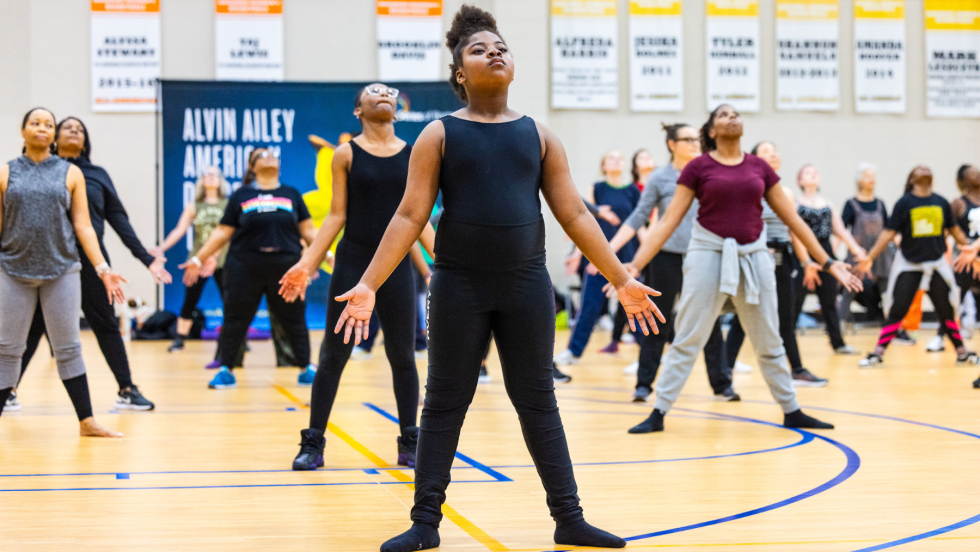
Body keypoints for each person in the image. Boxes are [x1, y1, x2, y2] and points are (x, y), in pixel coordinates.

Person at [331, 7, 664, 550]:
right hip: (459, 284)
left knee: (537, 400)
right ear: (459, 72)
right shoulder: (439, 134)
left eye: (501, 47)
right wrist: (368, 284)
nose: (494, 52)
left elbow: (576, 215)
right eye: (479, 49)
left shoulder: (539, 135)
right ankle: (425, 523)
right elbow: (410, 216)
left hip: (526, 284)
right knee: (444, 402)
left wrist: (622, 278)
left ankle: (569, 518)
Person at [624, 104, 860, 434]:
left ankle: (791, 410)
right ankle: (659, 411)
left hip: (754, 257)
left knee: (769, 339)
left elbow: (793, 220)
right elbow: (667, 221)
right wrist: (633, 266)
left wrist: (829, 261)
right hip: (707, 255)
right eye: (723, 115)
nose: (732, 117)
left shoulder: (759, 168)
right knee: (688, 337)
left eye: (735, 114)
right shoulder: (698, 167)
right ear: (711, 131)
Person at [278, 83, 436, 471]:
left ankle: (410, 441)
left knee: (402, 356)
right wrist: (308, 262)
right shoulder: (345, 154)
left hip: (395, 267)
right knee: (333, 356)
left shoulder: (415, 154)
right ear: (358, 110)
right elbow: (336, 216)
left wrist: (442, 264)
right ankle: (313, 442)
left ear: (396, 108)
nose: (383, 94)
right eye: (373, 91)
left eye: (388, 92)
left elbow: (418, 219)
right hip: (352, 265)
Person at [9, 117, 168, 413]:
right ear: (54, 136)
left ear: (86, 141)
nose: (73, 130)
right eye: (67, 126)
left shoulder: (96, 175)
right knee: (32, 328)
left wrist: (146, 260)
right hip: (48, 260)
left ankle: (127, 389)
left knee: (106, 323)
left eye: (80, 129)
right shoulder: (44, 170)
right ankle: (9, 390)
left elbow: (119, 220)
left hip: (91, 261)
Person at [0, 108, 125, 436]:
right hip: (13, 271)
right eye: (35, 123)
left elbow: (83, 225)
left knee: (69, 347)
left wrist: (102, 268)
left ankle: (87, 421)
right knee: (8, 348)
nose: (42, 128)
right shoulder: (5, 172)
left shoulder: (70, 174)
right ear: (23, 130)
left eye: (48, 125)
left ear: (53, 136)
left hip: (62, 272)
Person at [605, 123, 736, 402]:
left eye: (695, 139)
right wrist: (606, 253)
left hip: (704, 256)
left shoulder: (708, 172)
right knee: (658, 320)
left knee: (709, 319)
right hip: (666, 258)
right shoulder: (660, 178)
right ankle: (643, 385)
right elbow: (638, 217)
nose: (693, 143)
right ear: (671, 144)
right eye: (687, 139)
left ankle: (722, 384)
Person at [181, 148, 319, 389]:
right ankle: (226, 370)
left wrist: (321, 257)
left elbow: (308, 231)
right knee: (235, 319)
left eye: (273, 154)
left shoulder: (291, 194)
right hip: (244, 267)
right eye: (261, 156)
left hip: (285, 267)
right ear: (251, 167)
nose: (269, 156)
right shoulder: (241, 195)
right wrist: (198, 259)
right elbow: (223, 232)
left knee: (294, 318)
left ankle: (306, 368)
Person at [724, 142, 830, 386]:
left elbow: (794, 229)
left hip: (783, 261)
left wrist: (806, 262)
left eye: (775, 151)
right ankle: (725, 371)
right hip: (755, 258)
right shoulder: (746, 188)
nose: (773, 155)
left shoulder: (787, 192)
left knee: (786, 317)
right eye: (766, 151)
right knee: (743, 317)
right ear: (752, 158)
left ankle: (797, 369)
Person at [857, 165, 980, 369]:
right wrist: (870, 257)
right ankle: (878, 353)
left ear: (933, 180)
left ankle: (962, 352)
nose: (924, 169)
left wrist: (972, 253)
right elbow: (888, 233)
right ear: (912, 179)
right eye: (918, 169)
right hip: (910, 265)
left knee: (946, 311)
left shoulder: (940, 202)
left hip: (937, 265)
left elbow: (956, 232)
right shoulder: (904, 203)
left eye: (927, 168)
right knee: (898, 309)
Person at [555, 150, 641, 365]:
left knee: (637, 306)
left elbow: (639, 225)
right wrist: (577, 254)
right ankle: (573, 352)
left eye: (620, 157)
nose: (617, 160)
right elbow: (585, 224)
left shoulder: (632, 191)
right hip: (598, 259)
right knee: (590, 306)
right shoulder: (597, 189)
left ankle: (648, 354)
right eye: (611, 158)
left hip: (627, 258)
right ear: (604, 166)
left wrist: (642, 259)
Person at [153, 166, 230, 355]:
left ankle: (235, 340)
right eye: (207, 174)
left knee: (230, 301)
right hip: (197, 260)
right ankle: (179, 339)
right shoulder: (194, 206)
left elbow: (230, 234)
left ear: (220, 180)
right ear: (201, 181)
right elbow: (179, 230)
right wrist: (160, 248)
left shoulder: (228, 204)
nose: (211, 178)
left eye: (214, 174)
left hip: (224, 259)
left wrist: (214, 256)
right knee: (190, 300)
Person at [793, 164, 865, 355]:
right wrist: (806, 262)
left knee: (829, 301)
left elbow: (840, 230)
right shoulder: (796, 204)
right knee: (795, 302)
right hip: (803, 254)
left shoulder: (827, 203)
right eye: (807, 172)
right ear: (800, 181)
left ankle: (838, 343)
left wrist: (856, 249)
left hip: (825, 254)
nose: (813, 173)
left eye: (815, 171)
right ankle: (787, 344)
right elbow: (795, 234)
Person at [925, 164, 980, 353]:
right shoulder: (959, 203)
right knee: (953, 302)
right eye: (972, 173)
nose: (978, 175)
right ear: (963, 179)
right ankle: (940, 336)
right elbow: (946, 229)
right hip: (964, 261)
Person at [837, 163, 895, 328]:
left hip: (881, 255)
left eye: (873, 176)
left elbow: (888, 230)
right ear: (859, 180)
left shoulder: (880, 204)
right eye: (867, 176)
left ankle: (892, 327)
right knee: (850, 290)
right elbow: (841, 230)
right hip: (858, 256)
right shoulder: (851, 204)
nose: (871, 179)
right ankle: (838, 326)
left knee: (887, 292)